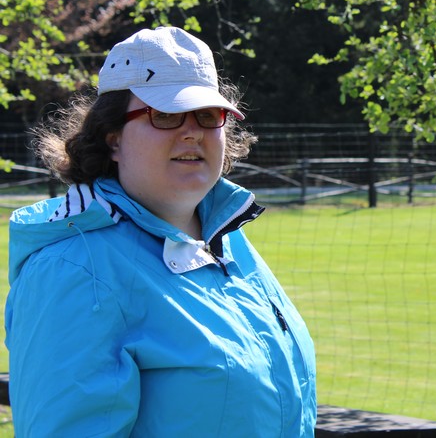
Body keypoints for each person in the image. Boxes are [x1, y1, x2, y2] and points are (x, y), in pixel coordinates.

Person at [5, 27, 317, 436]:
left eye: (208, 115)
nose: (192, 131)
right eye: (165, 114)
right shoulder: (74, 269)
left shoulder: (227, 240)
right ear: (112, 138)